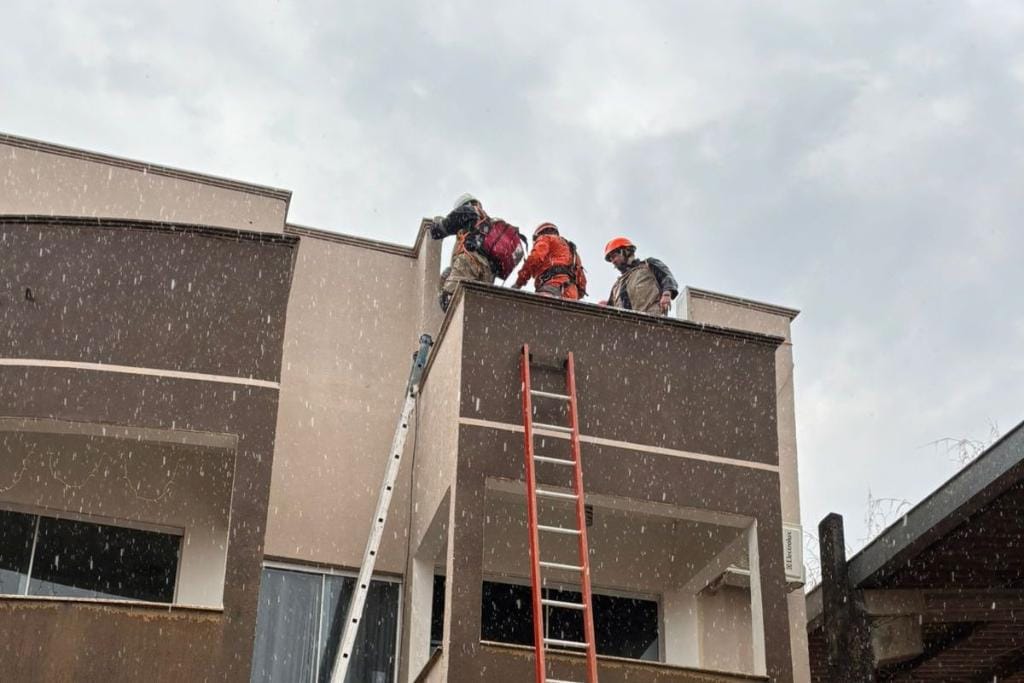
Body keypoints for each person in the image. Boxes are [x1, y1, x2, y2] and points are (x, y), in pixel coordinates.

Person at [428, 194, 496, 311]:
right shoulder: (489, 223)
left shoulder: (467, 211)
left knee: (448, 299)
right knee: (476, 306)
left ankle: (454, 327)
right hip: (488, 273)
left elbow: (437, 231)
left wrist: (436, 222)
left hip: (468, 262)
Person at [511, 223, 587, 300]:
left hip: (552, 286)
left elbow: (534, 258)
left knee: (537, 310)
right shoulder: (572, 252)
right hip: (572, 294)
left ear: (539, 234)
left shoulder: (546, 238)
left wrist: (519, 283)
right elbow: (582, 284)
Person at [604, 237, 678, 315]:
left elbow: (667, 278)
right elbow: (609, 312)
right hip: (626, 325)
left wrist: (666, 294)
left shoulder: (648, 265)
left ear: (627, 251)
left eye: (614, 256)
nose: (613, 261)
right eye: (611, 259)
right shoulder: (616, 287)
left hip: (651, 320)